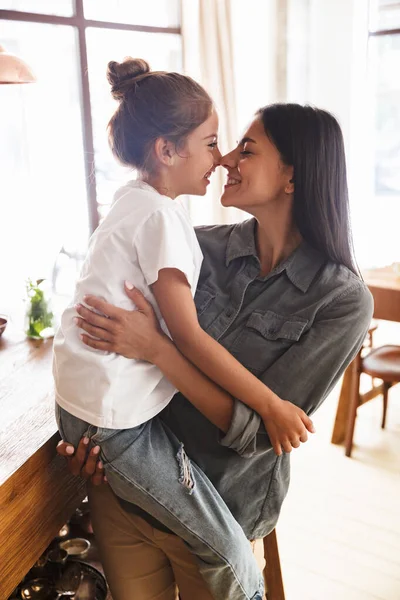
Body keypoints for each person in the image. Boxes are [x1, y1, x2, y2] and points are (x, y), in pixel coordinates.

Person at [57, 102, 374, 600]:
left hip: (222, 511)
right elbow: (101, 316)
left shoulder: (342, 300)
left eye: (245, 149)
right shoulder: (193, 245)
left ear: (293, 177)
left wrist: (157, 350)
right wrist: (99, 438)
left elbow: (257, 435)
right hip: (128, 501)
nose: (225, 159)